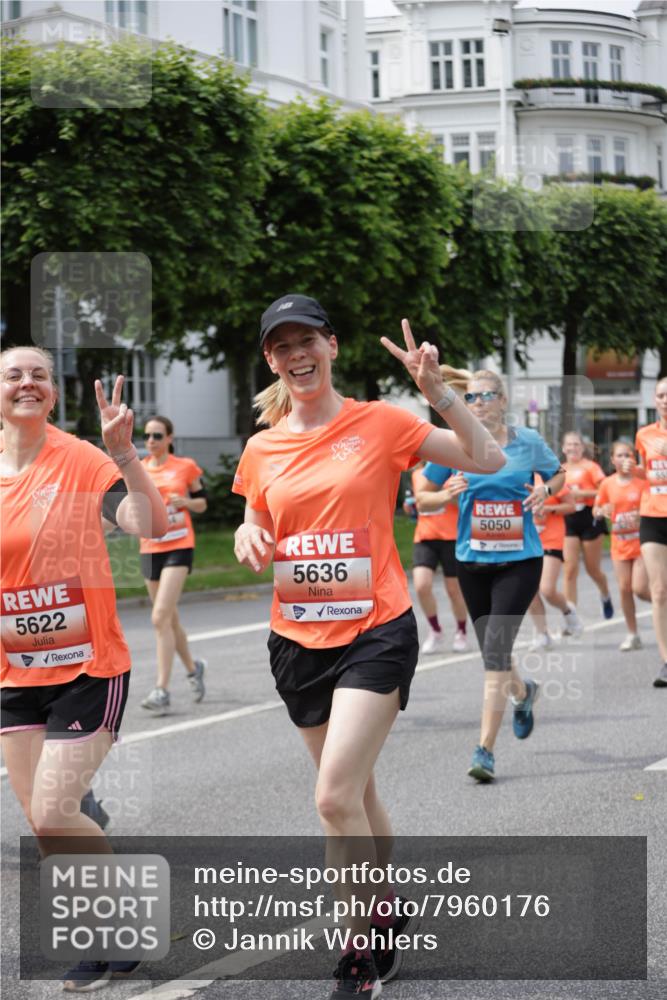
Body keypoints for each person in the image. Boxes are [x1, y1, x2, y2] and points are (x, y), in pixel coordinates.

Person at [232, 295, 505, 999]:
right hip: (296, 637)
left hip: (374, 629)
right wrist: (246, 534)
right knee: (356, 792)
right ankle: (382, 909)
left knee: (332, 798)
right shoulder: (261, 448)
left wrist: (437, 392)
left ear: (330, 345)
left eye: (307, 341)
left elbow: (487, 458)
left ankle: (357, 948)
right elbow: (255, 519)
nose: (296, 355)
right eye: (282, 346)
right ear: (270, 360)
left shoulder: (381, 422)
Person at [0, 345, 169, 992]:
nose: (27, 383)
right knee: (48, 827)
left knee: (53, 813)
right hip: (15, 672)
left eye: (39, 375)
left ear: (52, 391)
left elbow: (149, 521)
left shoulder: (80, 459)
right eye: (13, 374)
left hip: (87, 668)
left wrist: (124, 454)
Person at [420, 369, 565, 783]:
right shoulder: (454, 444)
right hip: (472, 563)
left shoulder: (527, 442)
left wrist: (545, 490)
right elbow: (423, 498)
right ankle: (523, 692)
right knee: (493, 653)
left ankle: (484, 750)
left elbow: (558, 474)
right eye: (470, 397)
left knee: (496, 650)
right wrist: (443, 494)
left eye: (486, 396)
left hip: (521, 561)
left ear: (503, 400)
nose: (477, 403)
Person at [139, 415, 208, 715]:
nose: (151, 441)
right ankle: (194, 669)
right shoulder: (138, 470)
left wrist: (187, 503)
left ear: (169, 438)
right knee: (169, 620)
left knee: (159, 617)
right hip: (150, 547)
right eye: (147, 436)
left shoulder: (185, 466)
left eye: (157, 435)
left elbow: (203, 502)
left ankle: (162, 689)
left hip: (179, 546)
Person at [593, 441, 650, 652]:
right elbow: (596, 509)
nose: (625, 458)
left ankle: (661, 602)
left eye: (628, 455)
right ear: (612, 460)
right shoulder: (607, 484)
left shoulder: (642, 482)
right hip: (620, 543)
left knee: (640, 589)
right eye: (620, 455)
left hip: (642, 542)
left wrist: (641, 515)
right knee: (624, 589)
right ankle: (633, 634)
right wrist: (601, 511)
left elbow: (654, 506)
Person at [409, 460, 468, 654]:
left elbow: (465, 502)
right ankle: (435, 630)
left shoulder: (453, 471)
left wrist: (445, 496)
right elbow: (419, 504)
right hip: (425, 536)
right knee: (421, 585)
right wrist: (411, 507)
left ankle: (461, 631)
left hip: (452, 536)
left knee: (454, 590)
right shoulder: (417, 474)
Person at [635, 377, 667, 687]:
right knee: (658, 590)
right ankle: (666, 661)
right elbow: (648, 473)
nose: (665, 400)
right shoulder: (643, 435)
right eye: (660, 395)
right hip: (652, 516)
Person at [561, 431, 614, 619]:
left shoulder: (591, 467)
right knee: (570, 569)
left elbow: (605, 489)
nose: (573, 448)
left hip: (590, 517)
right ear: (563, 448)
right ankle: (571, 616)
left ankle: (605, 594)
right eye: (569, 444)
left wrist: (582, 494)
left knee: (593, 569)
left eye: (576, 444)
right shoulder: (560, 469)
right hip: (569, 518)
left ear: (582, 448)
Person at [528, 474, 582, 648]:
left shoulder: (550, 477)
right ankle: (542, 634)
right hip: (526, 540)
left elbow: (571, 506)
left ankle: (568, 611)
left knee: (547, 589)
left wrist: (549, 509)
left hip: (551, 539)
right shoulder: (515, 477)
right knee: (528, 591)